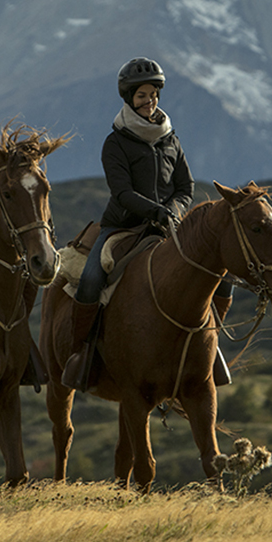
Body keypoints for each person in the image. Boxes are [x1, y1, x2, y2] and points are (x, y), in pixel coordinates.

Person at [61, 57, 226, 391]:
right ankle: (82, 355)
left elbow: (186, 187)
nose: (148, 100)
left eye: (152, 94)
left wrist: (173, 211)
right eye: (141, 96)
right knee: (91, 280)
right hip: (122, 227)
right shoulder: (116, 143)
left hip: (168, 224)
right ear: (128, 99)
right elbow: (121, 193)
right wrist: (155, 211)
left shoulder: (170, 140)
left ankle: (210, 348)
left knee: (221, 278)